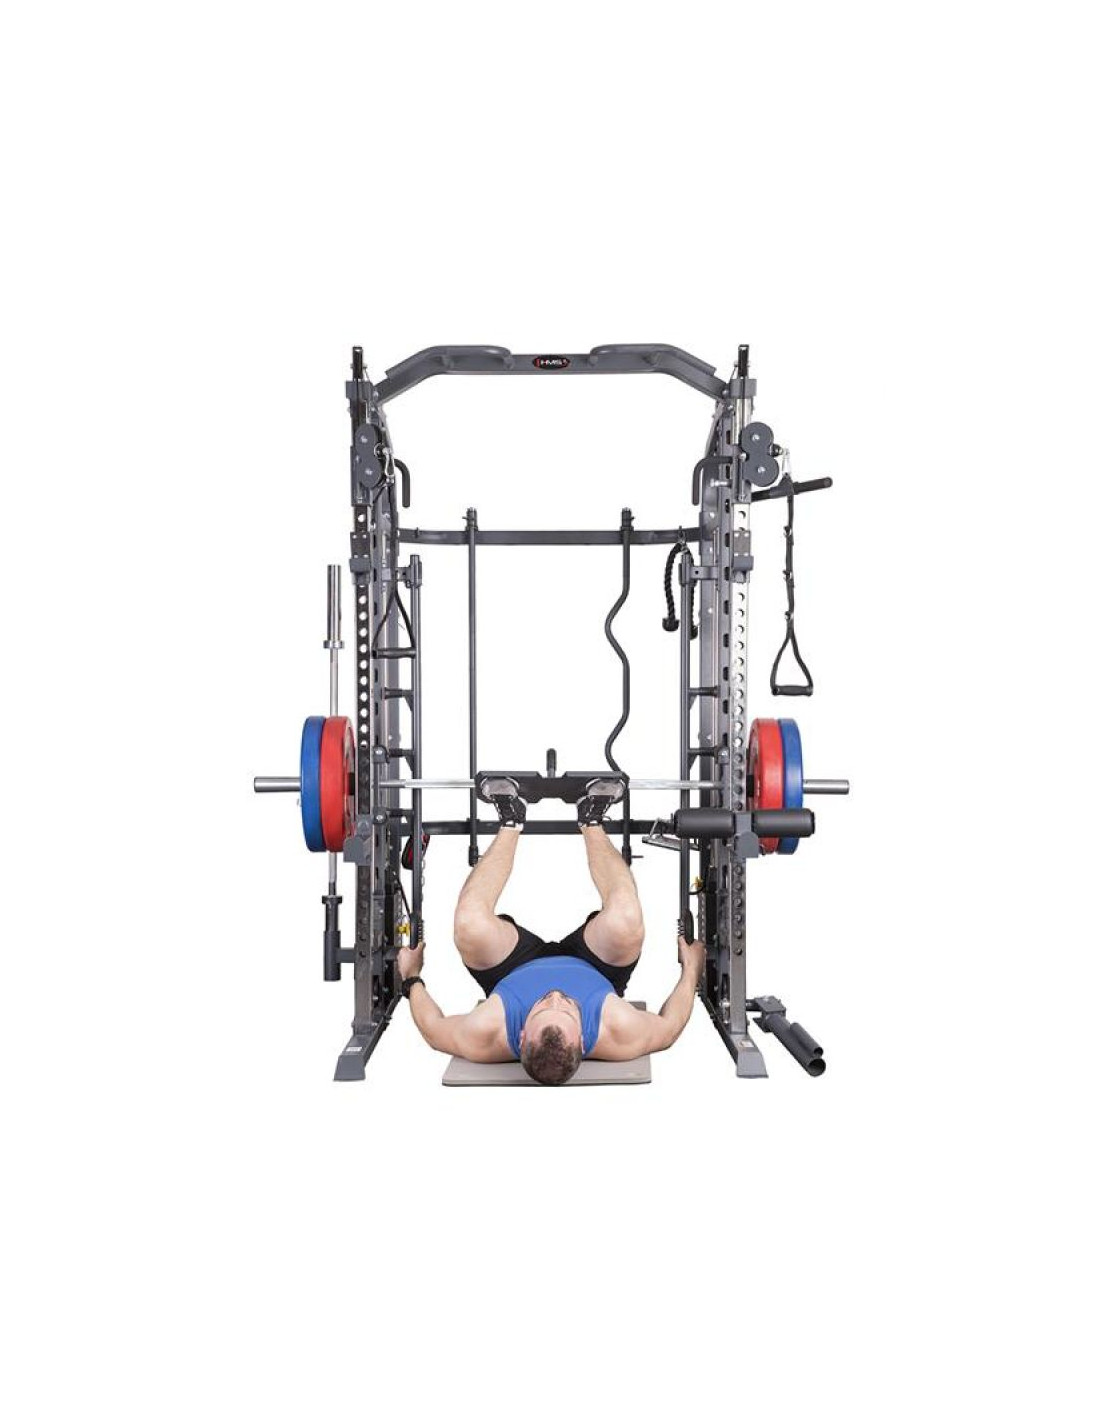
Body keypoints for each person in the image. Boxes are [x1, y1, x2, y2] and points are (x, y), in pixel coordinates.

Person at [396, 777, 704, 1085]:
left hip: (510, 968)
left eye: (541, 1009)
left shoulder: (486, 1032)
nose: (555, 996)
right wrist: (692, 969)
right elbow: (669, 1027)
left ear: (520, 1036)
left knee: (469, 923)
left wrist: (411, 976)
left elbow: (433, 1029)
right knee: (625, 915)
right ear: (582, 1041)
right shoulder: (618, 1030)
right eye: (568, 1011)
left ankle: (511, 818)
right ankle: (591, 817)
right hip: (597, 966)